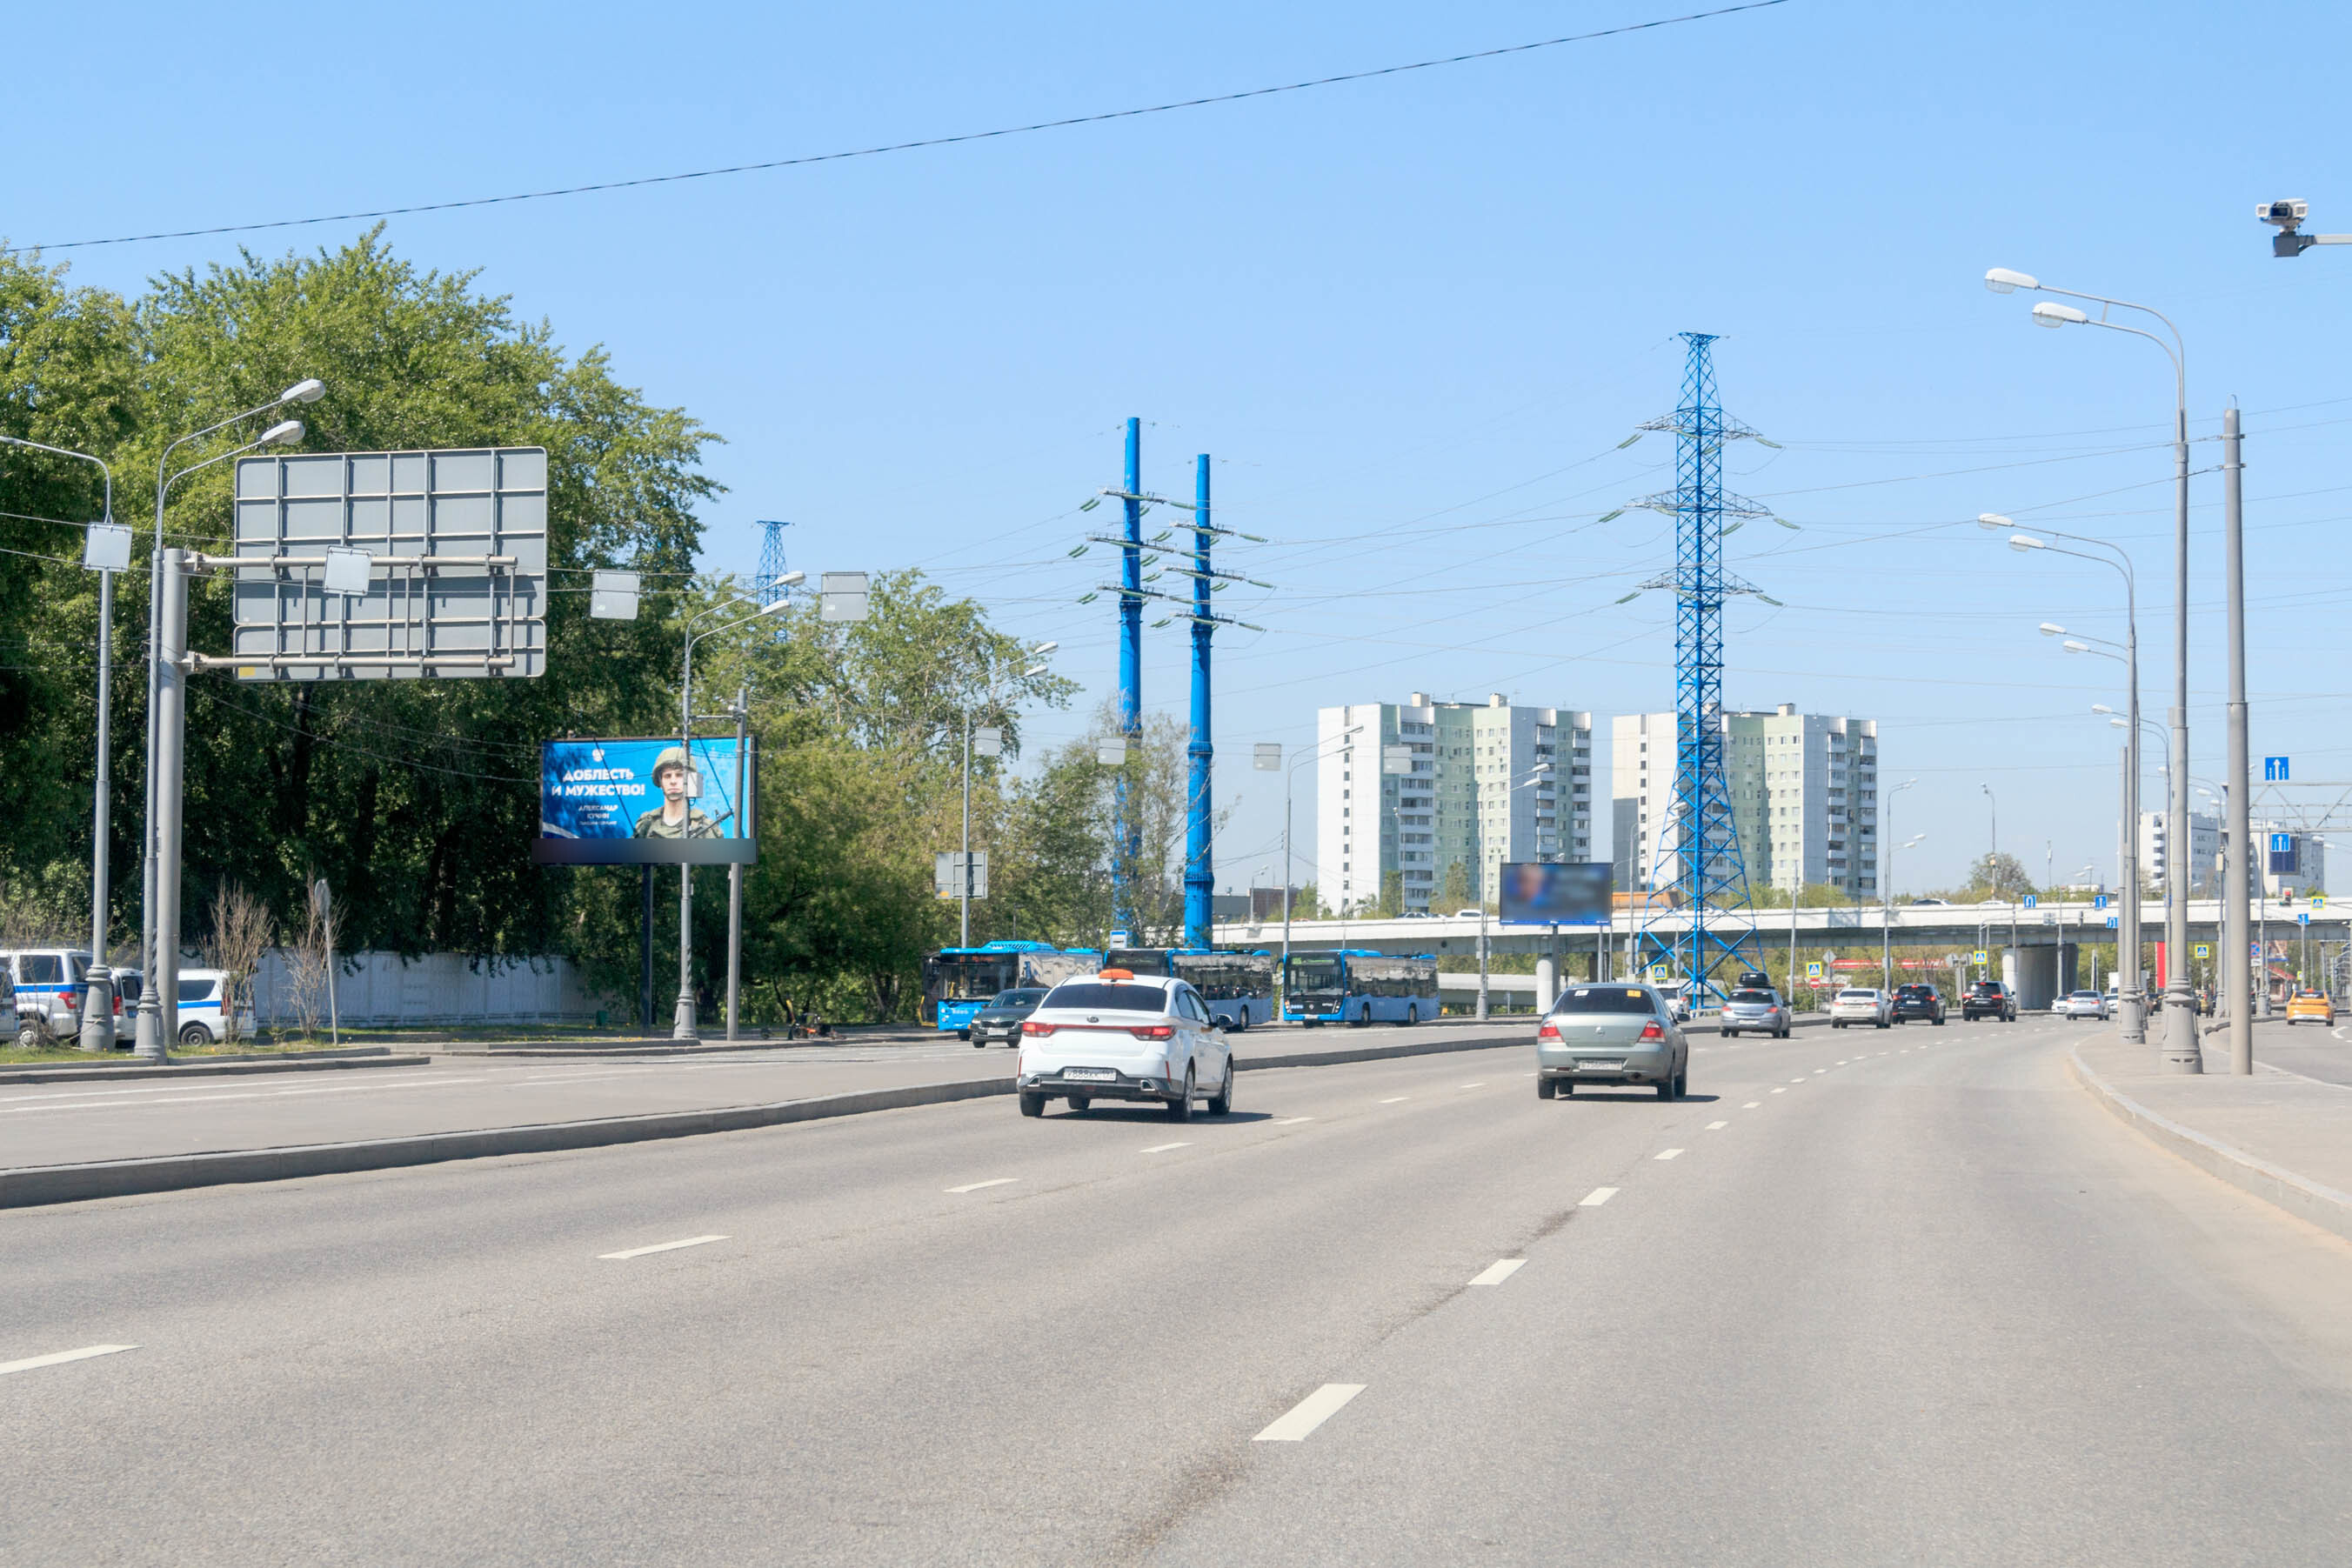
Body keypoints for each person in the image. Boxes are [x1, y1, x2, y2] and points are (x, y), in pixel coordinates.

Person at [632, 746, 721, 838]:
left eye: (679, 775)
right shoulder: (647, 824)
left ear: (691, 781)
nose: (673, 781)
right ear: (660, 781)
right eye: (667, 776)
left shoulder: (705, 828)